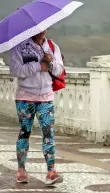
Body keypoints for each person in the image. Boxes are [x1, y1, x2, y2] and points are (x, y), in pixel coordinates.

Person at [9, 30, 64, 185]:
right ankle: (21, 170)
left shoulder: (52, 46)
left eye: (44, 27)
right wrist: (38, 65)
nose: (42, 30)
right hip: (25, 97)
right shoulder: (19, 47)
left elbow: (60, 70)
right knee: (25, 133)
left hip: (46, 97)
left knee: (48, 133)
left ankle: (51, 172)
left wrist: (50, 63)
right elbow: (15, 70)